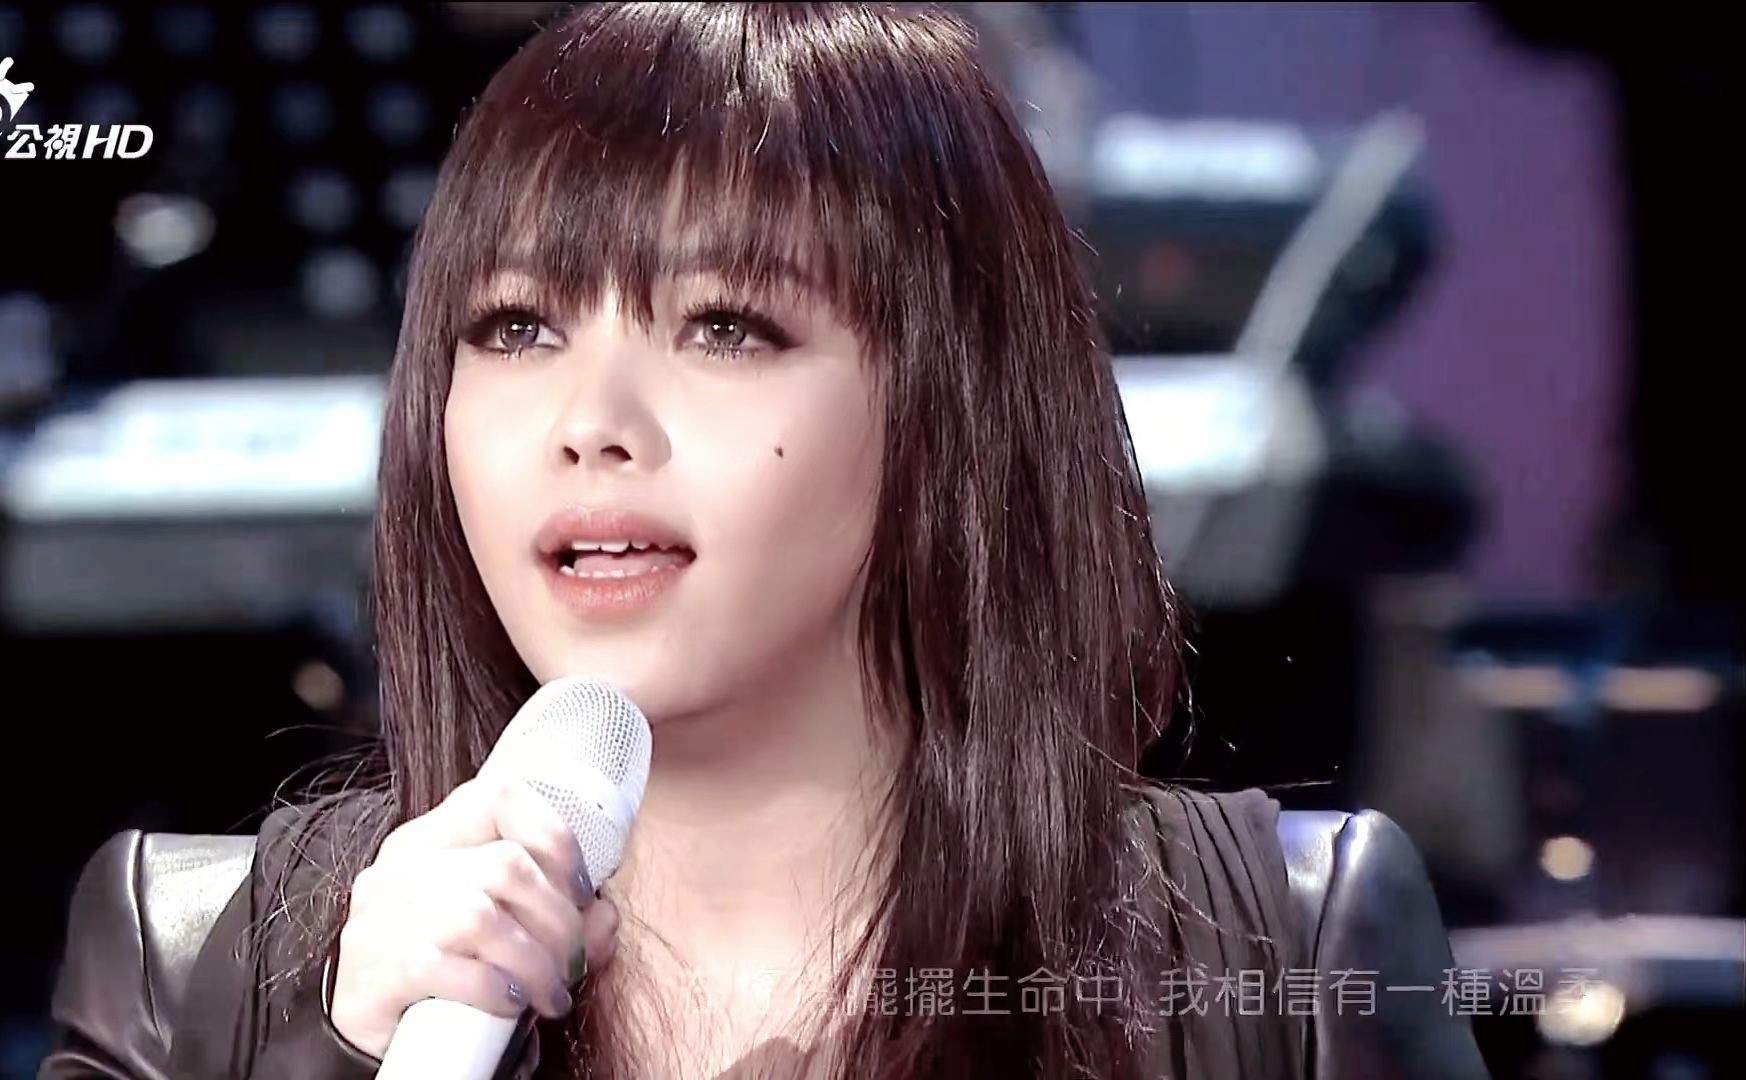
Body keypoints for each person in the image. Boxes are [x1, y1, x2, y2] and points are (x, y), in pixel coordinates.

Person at [38, 5, 1471, 1079]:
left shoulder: (1285, 952)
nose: (590, 427)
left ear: (948, 405)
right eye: (517, 328)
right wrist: (337, 1058)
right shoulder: (186, 959)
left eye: (725, 328)